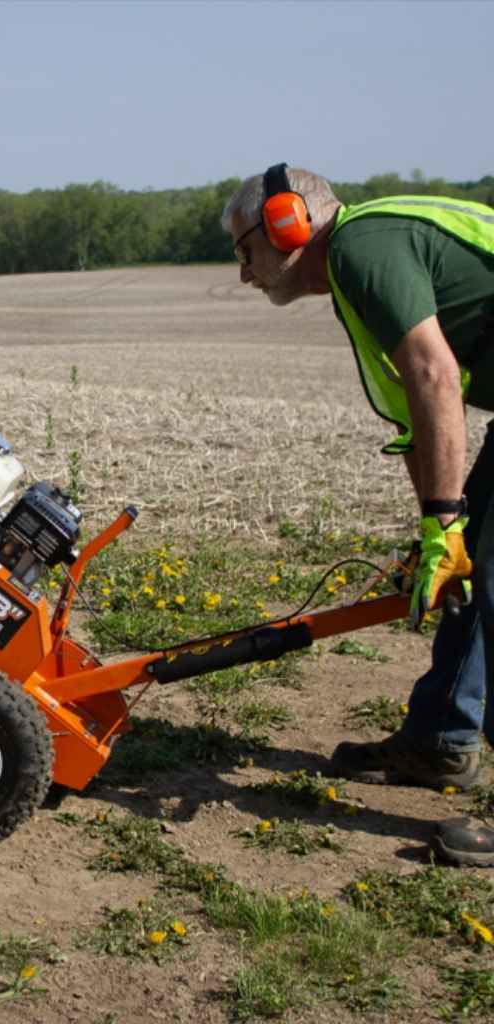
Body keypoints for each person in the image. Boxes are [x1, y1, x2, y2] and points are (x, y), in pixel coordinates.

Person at [221, 165, 494, 866]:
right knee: (475, 566)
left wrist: (444, 519)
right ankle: (440, 742)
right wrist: (443, 531)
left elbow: (435, 377)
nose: (243, 272)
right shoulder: (357, 269)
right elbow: (416, 415)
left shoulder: (361, 250)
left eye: (245, 248)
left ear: (288, 224)